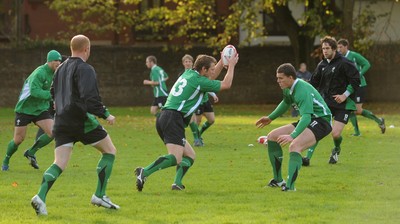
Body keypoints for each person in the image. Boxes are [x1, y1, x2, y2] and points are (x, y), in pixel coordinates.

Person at [31, 34, 119, 216]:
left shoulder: (60, 68)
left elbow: (52, 93)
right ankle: (99, 195)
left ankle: (40, 197)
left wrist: (56, 109)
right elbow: (90, 98)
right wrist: (106, 114)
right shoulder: (85, 68)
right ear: (87, 49)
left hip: (61, 120)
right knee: (109, 151)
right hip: (80, 119)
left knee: (59, 163)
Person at [134, 52, 239, 191]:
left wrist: (222, 60)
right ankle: (145, 172)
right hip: (173, 118)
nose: (214, 72)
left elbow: (211, 76)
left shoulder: (190, 74)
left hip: (166, 116)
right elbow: (226, 84)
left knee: (190, 155)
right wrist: (231, 65)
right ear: (203, 70)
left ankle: (177, 183)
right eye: (211, 69)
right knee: (175, 158)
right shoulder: (199, 81)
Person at [256, 63, 332, 191]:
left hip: (322, 121)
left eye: (281, 78)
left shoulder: (302, 90)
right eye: (277, 78)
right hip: (308, 119)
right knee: (272, 136)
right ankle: (278, 180)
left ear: (291, 78)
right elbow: (286, 102)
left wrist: (292, 136)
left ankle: (290, 187)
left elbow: (307, 117)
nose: (278, 81)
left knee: (295, 146)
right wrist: (270, 118)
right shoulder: (287, 88)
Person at [1, 50, 62, 171]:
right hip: (25, 109)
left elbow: (54, 90)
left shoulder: (55, 73)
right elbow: (34, 92)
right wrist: (52, 96)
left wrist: (55, 101)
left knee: (53, 132)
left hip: (40, 109)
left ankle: (31, 152)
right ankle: (6, 159)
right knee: (18, 140)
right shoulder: (39, 73)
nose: (58, 63)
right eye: (56, 60)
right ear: (49, 61)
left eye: (60, 61)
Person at [304, 36, 361, 165]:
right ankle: (307, 158)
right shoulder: (322, 64)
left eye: (327, 48)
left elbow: (356, 80)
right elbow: (313, 83)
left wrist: (344, 95)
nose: (324, 51)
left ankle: (336, 149)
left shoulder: (344, 63)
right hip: (326, 104)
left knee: (335, 134)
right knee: (318, 129)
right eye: (323, 48)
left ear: (334, 49)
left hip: (343, 104)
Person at [337, 39, 385, 136]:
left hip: (359, 85)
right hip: (349, 87)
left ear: (346, 46)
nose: (339, 49)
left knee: (357, 110)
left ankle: (379, 121)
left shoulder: (354, 55)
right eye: (338, 47)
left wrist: (359, 74)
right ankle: (357, 132)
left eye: (341, 47)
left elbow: (367, 64)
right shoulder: (340, 58)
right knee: (350, 109)